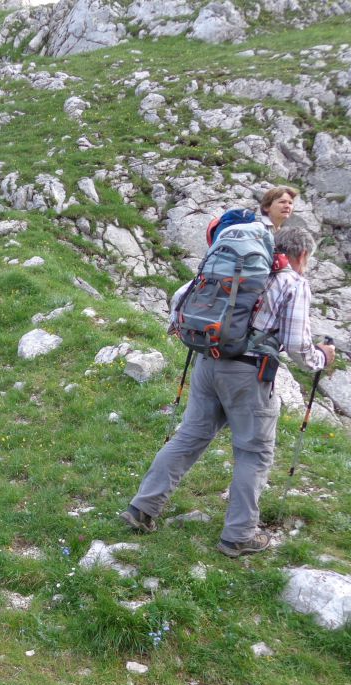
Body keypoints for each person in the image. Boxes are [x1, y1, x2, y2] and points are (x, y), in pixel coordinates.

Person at [120, 226, 336, 557]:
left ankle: (141, 509)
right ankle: (239, 536)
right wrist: (321, 358)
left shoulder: (235, 269)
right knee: (254, 453)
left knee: (188, 437)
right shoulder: (293, 282)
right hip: (248, 374)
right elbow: (295, 344)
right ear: (303, 255)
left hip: (208, 362)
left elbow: (181, 298)